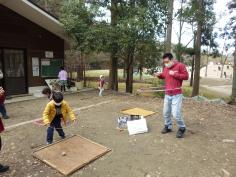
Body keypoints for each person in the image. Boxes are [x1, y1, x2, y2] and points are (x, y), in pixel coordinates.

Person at [155, 53, 189, 138]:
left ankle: (182, 128)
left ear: (172, 59)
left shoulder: (180, 65)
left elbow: (186, 76)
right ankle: (168, 126)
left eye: (167, 61)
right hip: (167, 94)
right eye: (164, 62)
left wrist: (175, 74)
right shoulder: (166, 67)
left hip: (176, 94)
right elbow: (164, 75)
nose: (166, 63)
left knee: (175, 113)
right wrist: (159, 75)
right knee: (166, 112)